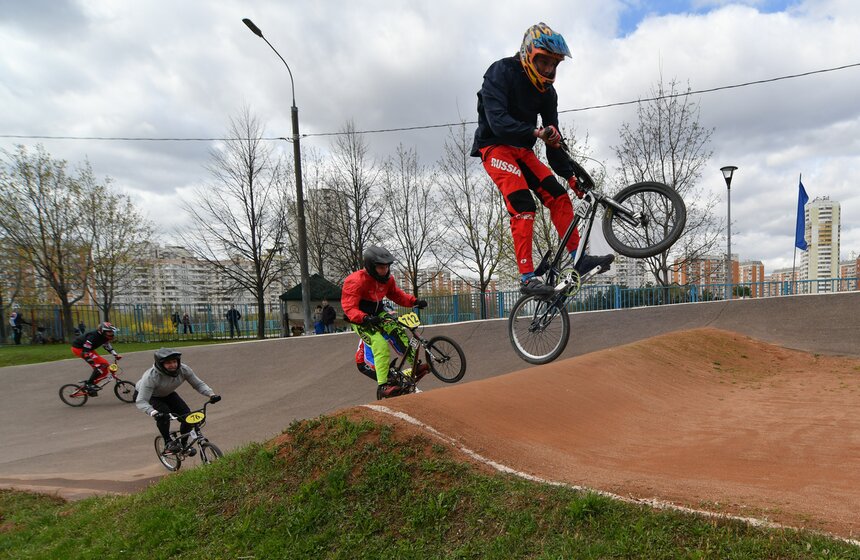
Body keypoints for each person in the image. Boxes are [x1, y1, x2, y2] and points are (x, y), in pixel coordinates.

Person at [471, 22, 614, 297]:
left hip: (523, 151)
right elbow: (497, 121)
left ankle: (578, 259)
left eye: (554, 64)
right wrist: (537, 132)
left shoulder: (548, 93)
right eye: (543, 62)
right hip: (495, 146)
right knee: (523, 204)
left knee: (559, 196)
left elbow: (553, 141)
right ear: (527, 54)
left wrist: (571, 177)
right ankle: (526, 278)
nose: (549, 70)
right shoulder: (500, 72)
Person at [342, 246, 430, 400]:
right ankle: (383, 386)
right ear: (371, 266)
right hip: (360, 320)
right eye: (381, 267)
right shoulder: (355, 281)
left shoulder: (388, 280)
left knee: (398, 331)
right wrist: (365, 318)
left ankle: (415, 366)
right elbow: (349, 307)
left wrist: (414, 301)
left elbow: (397, 295)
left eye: (387, 267)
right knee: (380, 345)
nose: (385, 270)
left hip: (379, 313)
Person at [135, 348, 220, 454]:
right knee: (163, 415)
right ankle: (168, 442)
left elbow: (198, 384)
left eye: (175, 361)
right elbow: (141, 401)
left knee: (188, 417)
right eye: (168, 363)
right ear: (160, 364)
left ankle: (184, 446)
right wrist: (154, 413)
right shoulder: (151, 377)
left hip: (168, 393)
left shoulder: (184, 369)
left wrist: (211, 394)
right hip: (152, 396)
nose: (173, 365)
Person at [71, 321, 122, 395]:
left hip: (89, 349)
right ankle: (89, 384)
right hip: (79, 349)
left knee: (105, 369)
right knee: (100, 365)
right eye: (109, 332)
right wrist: (93, 363)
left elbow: (106, 345)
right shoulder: (92, 336)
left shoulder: (104, 336)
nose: (111, 334)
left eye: (112, 332)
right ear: (102, 331)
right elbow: (85, 352)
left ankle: (89, 386)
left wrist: (115, 354)